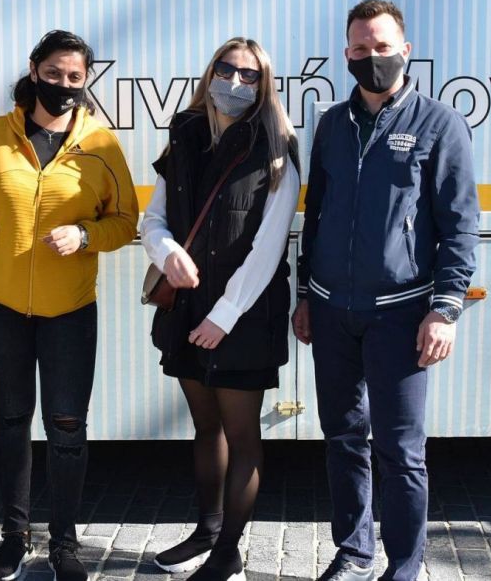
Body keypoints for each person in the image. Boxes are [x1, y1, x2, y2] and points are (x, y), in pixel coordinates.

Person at [292, 0, 480, 581]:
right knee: (343, 438)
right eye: (360, 48)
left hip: (401, 315)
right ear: (345, 53)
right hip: (332, 311)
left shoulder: (439, 123)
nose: (371, 57)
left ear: (405, 49)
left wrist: (445, 308)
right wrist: (304, 295)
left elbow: (460, 225)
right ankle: (353, 553)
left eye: (381, 46)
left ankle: (403, 564)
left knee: (401, 450)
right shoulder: (331, 124)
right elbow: (315, 214)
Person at [0, 30, 138, 581]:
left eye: (75, 76)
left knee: (67, 428)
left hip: (70, 312)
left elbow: (125, 221)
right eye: (53, 73)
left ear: (86, 81)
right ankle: (14, 536)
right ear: (33, 70)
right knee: (11, 421)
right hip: (1, 306)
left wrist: (85, 235)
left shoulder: (101, 143)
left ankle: (65, 544)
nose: (63, 84)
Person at [141, 38, 300, 581]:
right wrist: (167, 252)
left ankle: (228, 552)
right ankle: (207, 531)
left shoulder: (276, 150)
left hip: (243, 318)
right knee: (204, 427)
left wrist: (225, 316)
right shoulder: (183, 138)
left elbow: (269, 248)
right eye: (226, 70)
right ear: (210, 74)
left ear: (263, 85)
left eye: (249, 75)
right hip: (187, 311)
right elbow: (152, 220)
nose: (234, 82)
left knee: (242, 435)